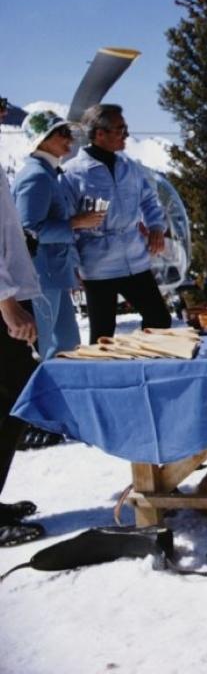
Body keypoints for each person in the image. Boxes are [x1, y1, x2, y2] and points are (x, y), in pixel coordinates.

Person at [60, 104, 171, 343]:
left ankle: (151, 369)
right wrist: (72, 264)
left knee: (160, 321)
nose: (126, 135)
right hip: (98, 266)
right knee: (102, 335)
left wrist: (156, 227)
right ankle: (105, 379)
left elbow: (150, 200)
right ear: (100, 134)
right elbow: (66, 223)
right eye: (120, 129)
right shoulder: (73, 174)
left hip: (136, 260)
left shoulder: (129, 167)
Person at [14, 111, 102, 358]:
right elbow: (29, 230)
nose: (70, 138)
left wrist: (71, 266)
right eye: (62, 133)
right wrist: (76, 223)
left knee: (67, 347)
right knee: (42, 349)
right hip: (39, 279)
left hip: (53, 276)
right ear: (42, 140)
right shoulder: (37, 177)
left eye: (69, 132)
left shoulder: (47, 173)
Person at [1, 119, 47, 546]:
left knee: (13, 399)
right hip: (2, 300)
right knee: (7, 399)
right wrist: (6, 301)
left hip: (11, 291)